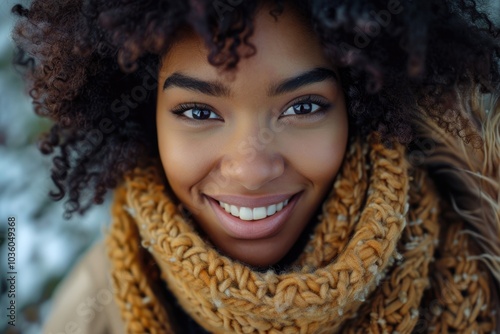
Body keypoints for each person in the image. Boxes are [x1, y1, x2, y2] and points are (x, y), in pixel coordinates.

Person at [11, 0, 500, 332]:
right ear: (145, 121)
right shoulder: (95, 307)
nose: (251, 169)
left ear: (363, 105)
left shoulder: (484, 259)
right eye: (200, 113)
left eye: (303, 107)